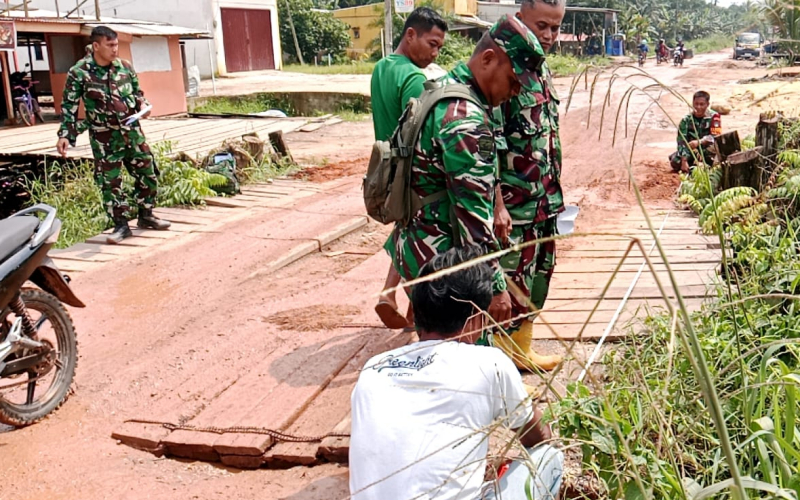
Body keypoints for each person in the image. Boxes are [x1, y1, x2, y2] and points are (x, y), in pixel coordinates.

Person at [350, 246, 564, 500]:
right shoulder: (489, 363)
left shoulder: (374, 368)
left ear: (417, 313)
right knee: (550, 458)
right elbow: (536, 437)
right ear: (476, 317)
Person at [385, 15, 545, 327]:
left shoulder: (442, 87)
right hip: (445, 263)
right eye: (514, 82)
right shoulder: (465, 120)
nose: (516, 93)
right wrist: (496, 288)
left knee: (434, 352)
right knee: (463, 353)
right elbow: (473, 219)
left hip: (420, 249)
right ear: (488, 59)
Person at [492, 0, 566, 372]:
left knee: (539, 275)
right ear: (520, 17)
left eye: (555, 27)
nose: (550, 36)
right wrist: (497, 204)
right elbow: (490, 141)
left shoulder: (542, 69)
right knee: (508, 281)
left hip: (545, 201)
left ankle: (521, 350)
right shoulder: (506, 69)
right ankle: (500, 359)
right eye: (542, 26)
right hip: (514, 204)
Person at [56, 26, 170, 244]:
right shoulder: (79, 72)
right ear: (96, 46)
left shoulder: (125, 67)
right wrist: (65, 135)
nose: (115, 50)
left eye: (116, 44)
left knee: (147, 172)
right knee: (110, 182)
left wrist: (143, 105)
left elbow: (137, 93)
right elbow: (69, 105)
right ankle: (121, 225)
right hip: (104, 138)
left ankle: (146, 215)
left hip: (132, 133)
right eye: (110, 45)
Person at [371, 7, 448, 330]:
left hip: (386, 168)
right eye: (432, 43)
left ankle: (389, 294)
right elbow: (424, 129)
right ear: (410, 35)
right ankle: (418, 306)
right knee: (424, 234)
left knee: (405, 227)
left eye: (439, 47)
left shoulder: (381, 68)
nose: (435, 53)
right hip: (413, 171)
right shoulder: (414, 79)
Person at [669, 90, 717, 173]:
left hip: (708, 149)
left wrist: (700, 142)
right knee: (675, 162)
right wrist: (684, 160)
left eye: (702, 104)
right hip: (691, 150)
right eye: (696, 104)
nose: (698, 107)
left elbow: (715, 136)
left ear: (707, 105)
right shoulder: (686, 120)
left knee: (716, 162)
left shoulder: (715, 117)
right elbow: (681, 141)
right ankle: (692, 164)